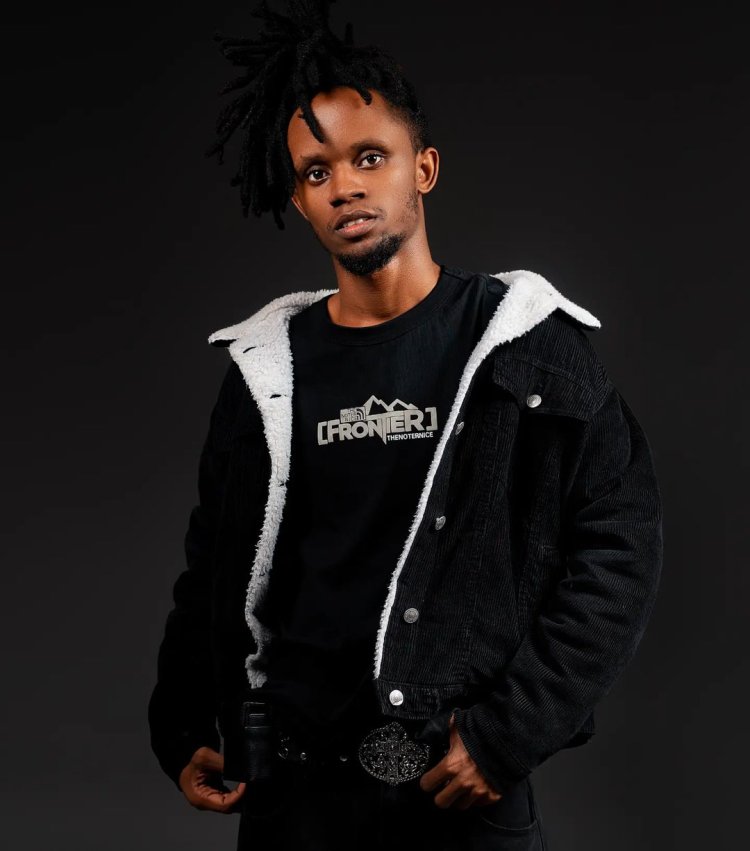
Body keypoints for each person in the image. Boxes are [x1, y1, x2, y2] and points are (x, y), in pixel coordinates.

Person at [147, 2, 664, 849]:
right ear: (300, 200)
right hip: (293, 801)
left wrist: (509, 733)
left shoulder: (524, 345)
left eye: (369, 157)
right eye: (316, 172)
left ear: (422, 168)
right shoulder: (265, 368)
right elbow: (212, 565)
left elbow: (621, 543)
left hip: (455, 793)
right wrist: (182, 721)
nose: (344, 185)